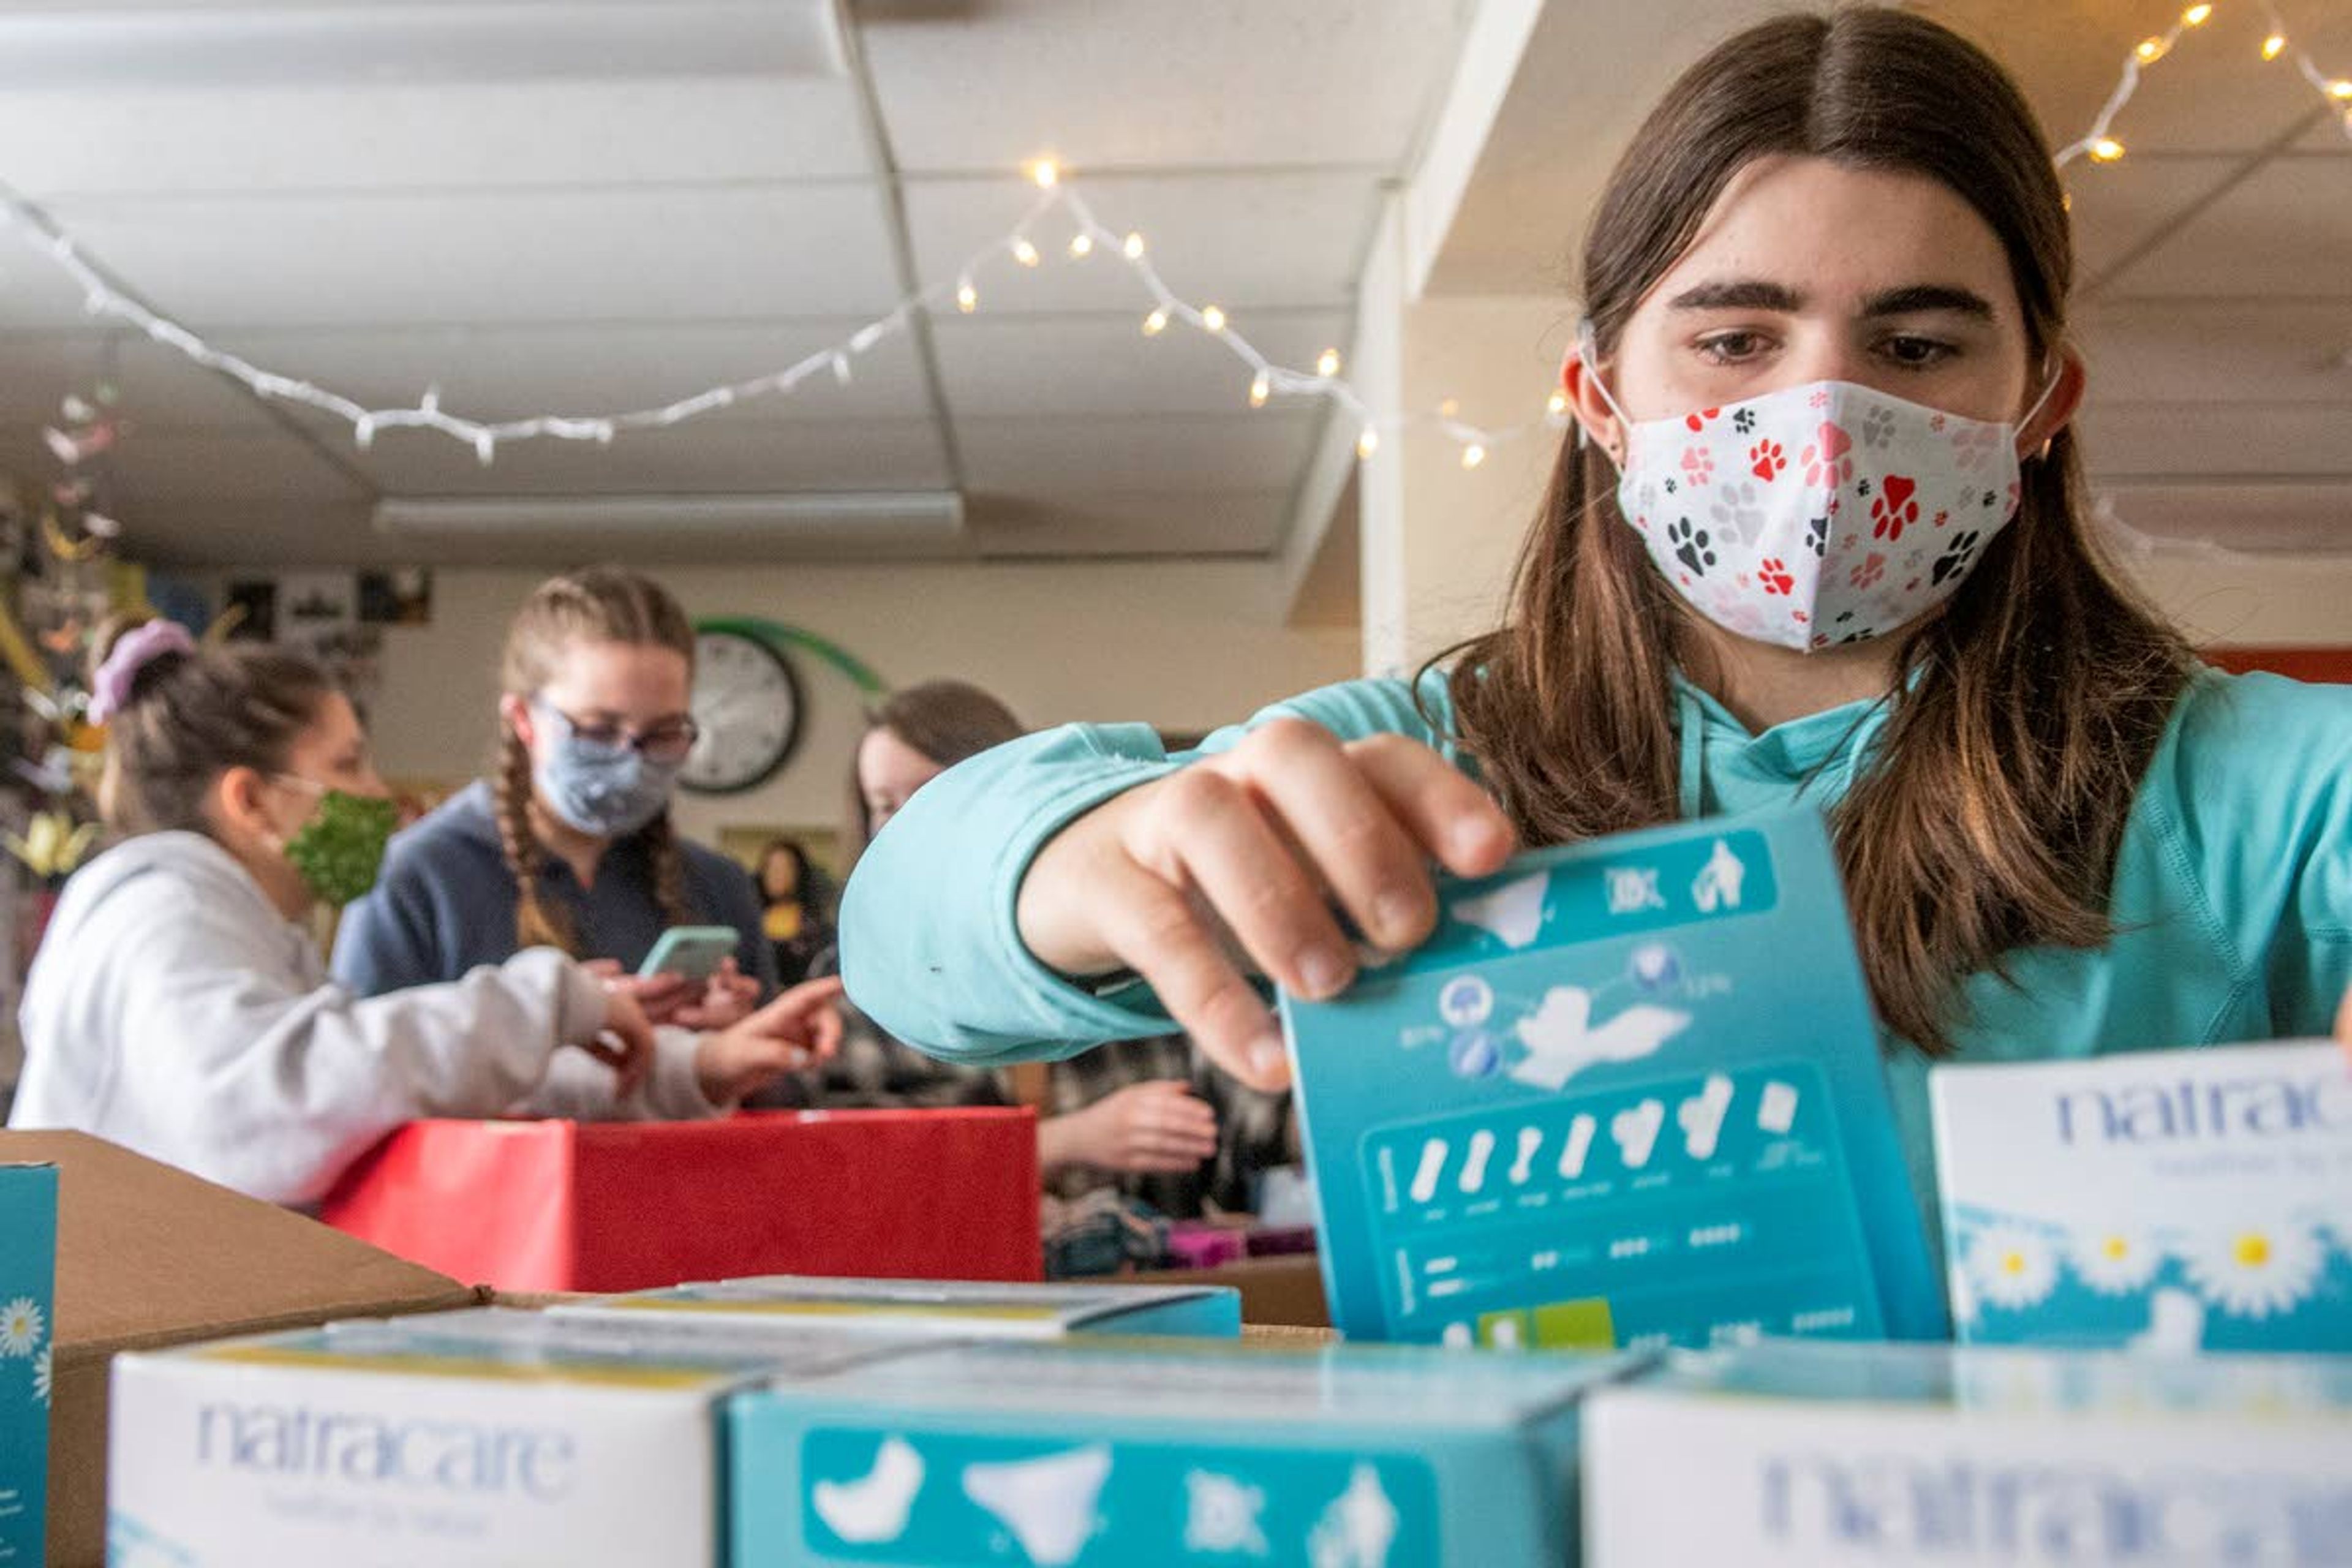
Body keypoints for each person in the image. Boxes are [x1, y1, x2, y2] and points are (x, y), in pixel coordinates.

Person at [840, 9, 2352, 1235]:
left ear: (2036, 406)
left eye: (1914, 342)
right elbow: (902, 936)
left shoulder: (2234, 782)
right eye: (1732, 339)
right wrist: (1076, 859)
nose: (1817, 421)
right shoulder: (1429, 766)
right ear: (1599, 399)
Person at [8, 620, 840, 1206]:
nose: (380, 794)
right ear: (252, 801)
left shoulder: (246, 931)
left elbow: (397, 1095)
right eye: (348, 766)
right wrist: (544, 1001)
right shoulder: (162, 916)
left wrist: (690, 1068)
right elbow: (279, 1108)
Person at [820, 680, 1289, 1208]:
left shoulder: (1123, 936)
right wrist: (1070, 1141)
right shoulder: (860, 999)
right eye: (884, 805)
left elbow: (1250, 1104)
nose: (907, 825)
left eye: (933, 792)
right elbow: (865, 1171)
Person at [335, 567, 775, 1031]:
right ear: (523, 719)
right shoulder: (416, 877)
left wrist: (733, 1047)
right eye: (599, 731)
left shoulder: (717, 886)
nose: (631, 762)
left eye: (663, 733)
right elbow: (355, 1082)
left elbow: (781, 1088)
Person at [755, 837, 833, 987]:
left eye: (785, 868)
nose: (778, 875)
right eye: (772, 868)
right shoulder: (752, 921)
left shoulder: (815, 926)